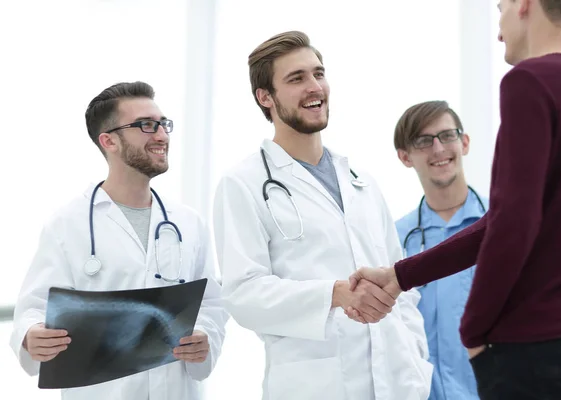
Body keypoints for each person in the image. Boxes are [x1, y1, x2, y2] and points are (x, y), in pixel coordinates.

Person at [348, 0, 561, 399]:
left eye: (500, 8)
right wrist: (400, 277)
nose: (498, 28)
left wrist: (474, 331)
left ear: (524, 5)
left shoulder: (529, 81)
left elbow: (512, 224)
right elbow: (506, 221)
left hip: (531, 351)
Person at [212, 31, 432, 400]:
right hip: (315, 385)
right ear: (265, 97)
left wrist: (416, 362)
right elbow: (242, 294)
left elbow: (401, 284)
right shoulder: (243, 183)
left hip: (397, 384)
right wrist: (334, 294)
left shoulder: (360, 181)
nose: (314, 86)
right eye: (296, 79)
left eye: (318, 73)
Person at [9, 81, 228, 400]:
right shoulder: (67, 224)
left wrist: (204, 335)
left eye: (163, 124)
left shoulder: (188, 223)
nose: (162, 135)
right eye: (146, 125)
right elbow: (34, 306)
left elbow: (211, 303)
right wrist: (31, 336)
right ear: (108, 140)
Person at [394, 100, 487, 400]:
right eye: (423, 141)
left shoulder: (505, 225)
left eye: (447, 136)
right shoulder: (395, 239)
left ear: (465, 142)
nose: (438, 149)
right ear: (405, 157)